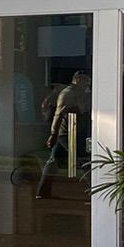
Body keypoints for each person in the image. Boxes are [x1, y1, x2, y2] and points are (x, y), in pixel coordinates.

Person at [38, 69, 90, 199]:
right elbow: (59, 114)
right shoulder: (68, 93)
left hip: (70, 131)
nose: (87, 84)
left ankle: (42, 191)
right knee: (82, 160)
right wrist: (53, 134)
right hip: (68, 133)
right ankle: (96, 191)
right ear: (78, 80)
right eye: (85, 81)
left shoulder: (80, 93)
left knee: (53, 161)